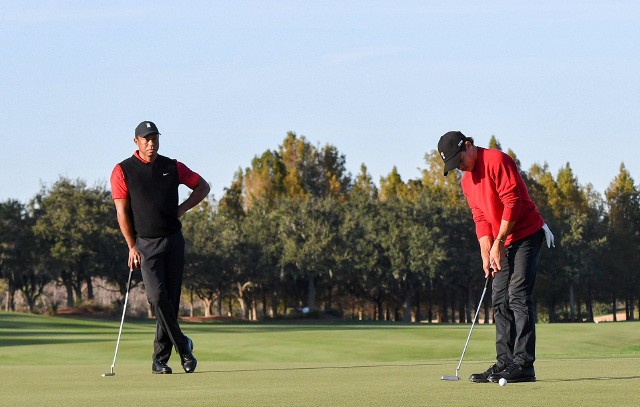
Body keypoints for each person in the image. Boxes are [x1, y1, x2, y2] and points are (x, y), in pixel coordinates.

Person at [437, 131, 554, 383]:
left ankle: (523, 365)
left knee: (518, 295)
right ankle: (505, 362)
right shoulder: (467, 182)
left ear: (468, 145)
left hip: (526, 234)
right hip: (501, 239)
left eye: (460, 160)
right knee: (499, 298)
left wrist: (499, 242)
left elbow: (513, 202)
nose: (459, 167)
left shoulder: (497, 161)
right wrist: (485, 250)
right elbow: (480, 218)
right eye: (454, 165)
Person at [110, 120, 210, 374]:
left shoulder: (172, 166)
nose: (151, 143)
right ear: (137, 142)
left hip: (173, 241)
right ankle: (184, 347)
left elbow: (203, 186)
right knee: (156, 299)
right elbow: (122, 213)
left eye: (154, 138)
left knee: (170, 303)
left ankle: (159, 360)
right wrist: (131, 246)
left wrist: (183, 209)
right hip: (145, 244)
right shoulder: (123, 171)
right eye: (146, 139)